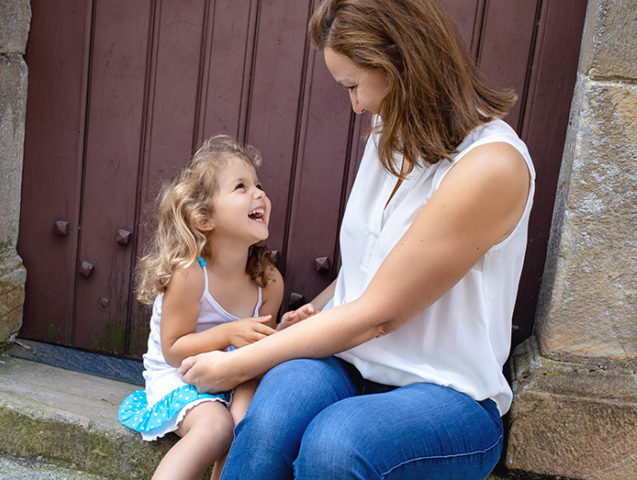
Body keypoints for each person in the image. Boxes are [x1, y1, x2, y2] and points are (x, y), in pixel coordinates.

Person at [178, 0, 534, 478]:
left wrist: (236, 364)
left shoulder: (492, 166)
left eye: (353, 85)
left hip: (447, 393)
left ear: (402, 65)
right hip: (350, 364)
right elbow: (371, 272)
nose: (356, 105)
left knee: (337, 444)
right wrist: (318, 309)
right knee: (272, 417)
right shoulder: (390, 133)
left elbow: (380, 314)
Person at [117, 135, 284, 480]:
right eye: (241, 187)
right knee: (215, 426)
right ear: (204, 218)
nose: (259, 194)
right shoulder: (190, 274)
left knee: (245, 420)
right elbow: (174, 350)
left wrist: (287, 329)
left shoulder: (269, 281)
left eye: (259, 185)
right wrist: (227, 332)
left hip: (236, 373)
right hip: (179, 376)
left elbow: (262, 348)